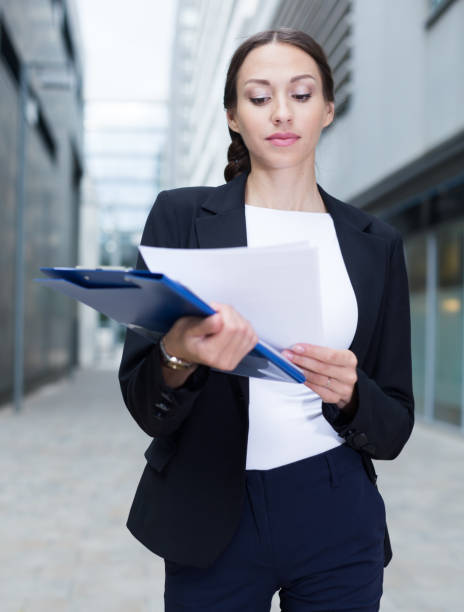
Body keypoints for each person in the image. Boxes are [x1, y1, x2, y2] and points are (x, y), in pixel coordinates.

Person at [118, 27, 414, 612]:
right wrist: (181, 352)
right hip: (212, 511)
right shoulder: (181, 218)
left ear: (328, 108)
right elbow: (143, 402)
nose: (281, 113)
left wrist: (352, 396)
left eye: (301, 95)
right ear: (232, 115)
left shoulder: (374, 243)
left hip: (334, 505)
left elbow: (395, 423)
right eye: (259, 98)